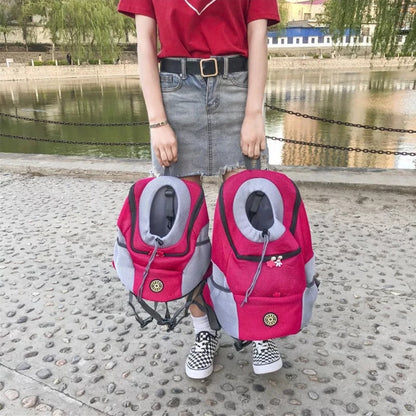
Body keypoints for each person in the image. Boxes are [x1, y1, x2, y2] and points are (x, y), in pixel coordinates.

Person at [117, 0, 281, 379]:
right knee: (181, 234)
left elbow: (258, 35)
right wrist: (157, 120)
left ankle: (256, 323)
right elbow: (145, 40)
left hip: (237, 91)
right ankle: (204, 330)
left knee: (251, 224)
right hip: (174, 95)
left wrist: (254, 113)